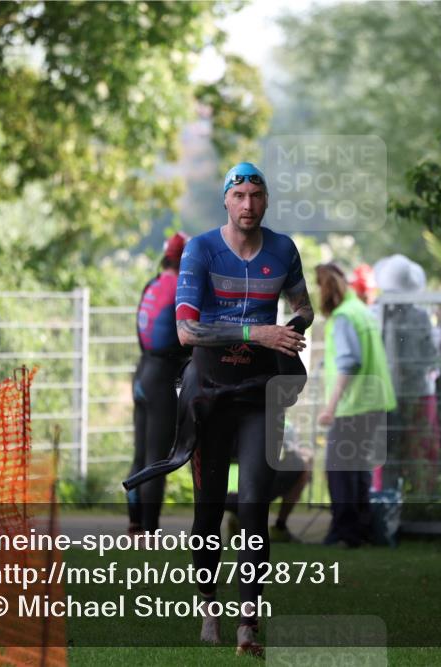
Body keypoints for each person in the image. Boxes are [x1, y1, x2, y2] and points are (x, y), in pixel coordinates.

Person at [175, 161, 314, 656]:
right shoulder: (200, 250)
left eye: (257, 195)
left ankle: (247, 625)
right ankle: (209, 604)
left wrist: (295, 324)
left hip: (259, 391)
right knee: (209, 511)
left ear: (266, 201)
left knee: (254, 507)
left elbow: (304, 305)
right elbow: (187, 332)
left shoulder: (283, 249)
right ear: (226, 201)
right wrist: (259, 332)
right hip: (209, 391)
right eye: (240, 196)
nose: (249, 205)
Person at [315, 263, 396, 548]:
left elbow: (350, 361)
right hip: (375, 401)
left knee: (338, 470)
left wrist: (330, 407)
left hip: (354, 404)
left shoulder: (343, 317)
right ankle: (362, 529)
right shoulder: (362, 311)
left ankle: (343, 531)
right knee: (358, 467)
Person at [126, 232, 189, 534]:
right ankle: (150, 532)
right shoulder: (180, 287)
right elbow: (187, 335)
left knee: (140, 455)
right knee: (156, 459)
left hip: (141, 372)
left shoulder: (151, 285)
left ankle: (136, 523)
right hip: (162, 377)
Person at [373, 254, 441, 496]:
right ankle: (420, 500)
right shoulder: (421, 316)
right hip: (417, 394)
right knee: (420, 451)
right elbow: (431, 356)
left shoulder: (374, 313)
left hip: (386, 396)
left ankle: (383, 500)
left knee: (385, 453)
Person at [224, 420, 312, 543]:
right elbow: (292, 453)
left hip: (217, 493)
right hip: (250, 492)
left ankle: (238, 519)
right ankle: (279, 527)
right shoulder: (282, 424)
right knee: (301, 467)